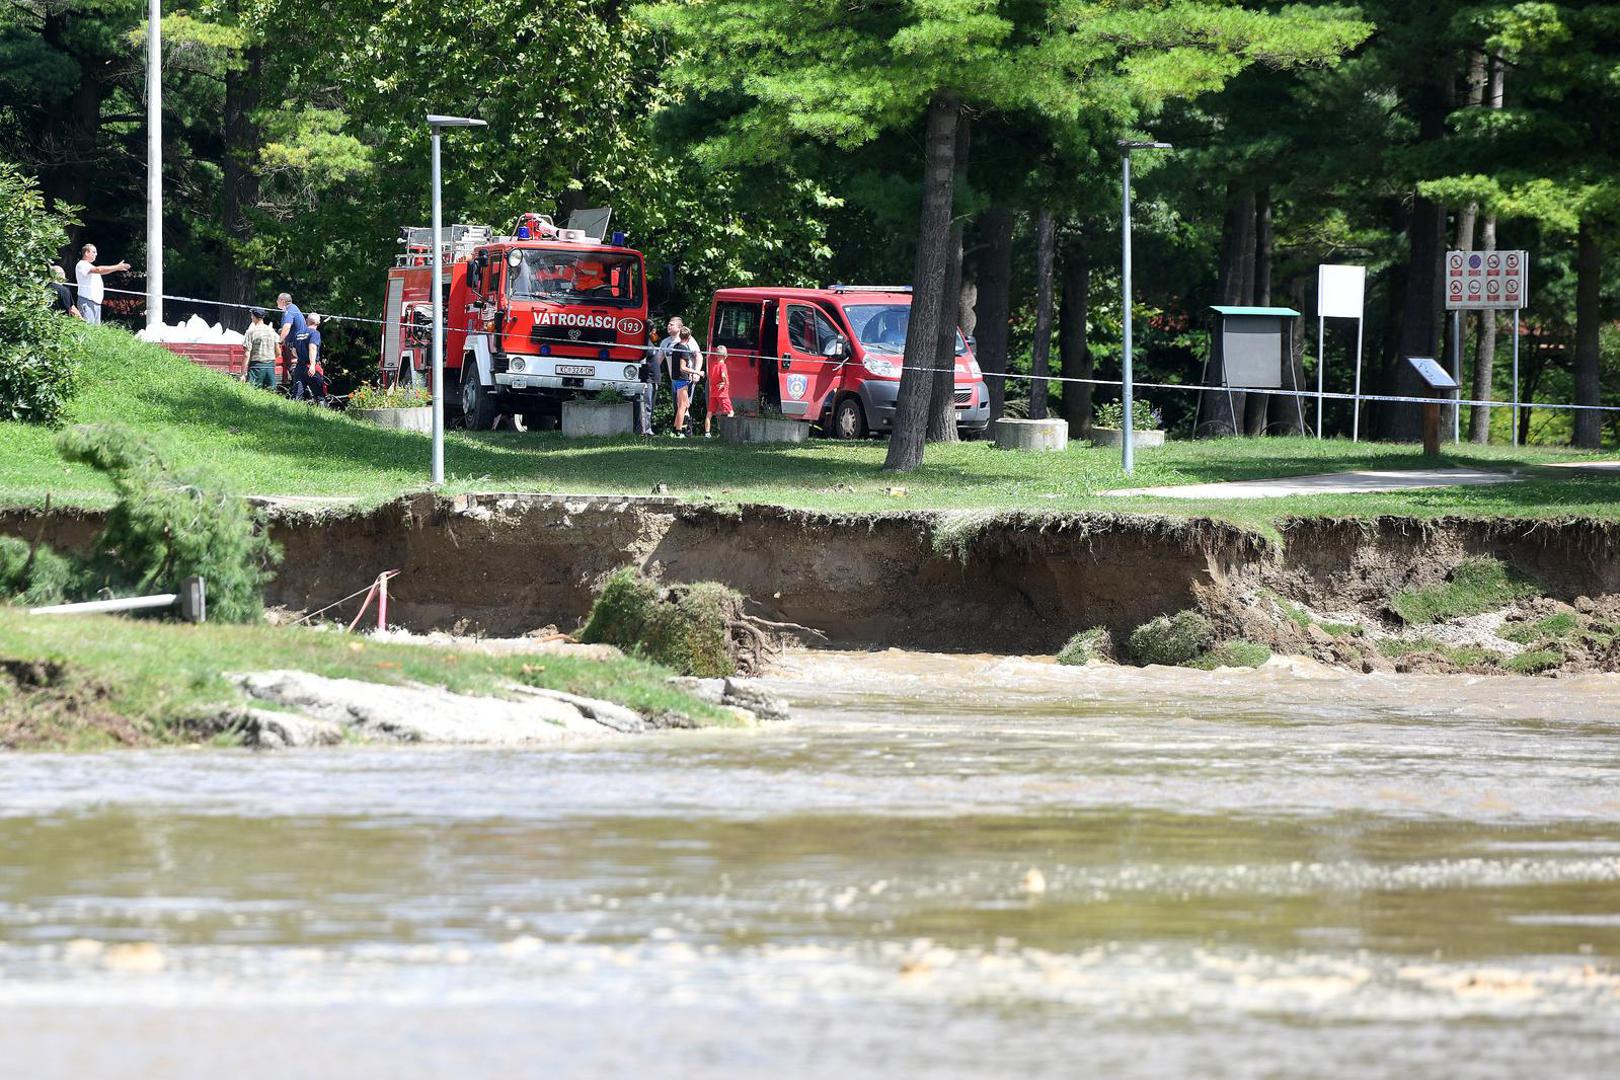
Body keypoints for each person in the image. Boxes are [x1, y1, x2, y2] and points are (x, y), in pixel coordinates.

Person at [74, 243, 129, 325]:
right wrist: (117, 267)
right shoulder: (82, 264)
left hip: (96, 303)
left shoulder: (90, 266)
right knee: (88, 329)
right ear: (86, 253)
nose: (96, 254)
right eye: (93, 252)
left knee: (95, 332)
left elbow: (103, 271)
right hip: (87, 301)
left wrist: (117, 268)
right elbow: (99, 270)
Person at [670, 326, 703, 437]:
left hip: (675, 378)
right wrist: (697, 372)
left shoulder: (676, 346)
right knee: (682, 405)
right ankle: (679, 432)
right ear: (689, 337)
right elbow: (682, 367)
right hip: (682, 379)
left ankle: (674, 429)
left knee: (684, 404)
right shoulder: (684, 349)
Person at [293, 313, 328, 402]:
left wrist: (301, 357)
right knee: (319, 395)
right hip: (310, 367)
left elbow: (293, 351)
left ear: (306, 321)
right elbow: (312, 347)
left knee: (297, 394)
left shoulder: (298, 334)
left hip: (299, 367)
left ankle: (293, 411)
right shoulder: (315, 333)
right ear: (318, 323)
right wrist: (312, 365)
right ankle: (321, 413)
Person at [243, 307, 279, 389]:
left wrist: (243, 373)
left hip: (256, 367)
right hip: (270, 366)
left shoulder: (251, 332)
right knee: (270, 393)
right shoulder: (271, 331)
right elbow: (278, 352)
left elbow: (246, 354)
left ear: (253, 316)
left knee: (252, 393)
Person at [704, 345, 734, 438]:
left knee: (709, 413)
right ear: (726, 355)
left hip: (713, 393)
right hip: (722, 393)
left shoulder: (713, 365)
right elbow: (723, 375)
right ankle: (728, 433)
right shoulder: (723, 365)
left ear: (716, 355)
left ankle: (707, 433)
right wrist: (725, 383)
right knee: (730, 412)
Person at [276, 292, 306, 382]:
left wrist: (280, 341)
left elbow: (287, 326)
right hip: (299, 344)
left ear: (282, 301)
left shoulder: (289, 311)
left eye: (278, 300)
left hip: (295, 346)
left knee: (295, 368)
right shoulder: (294, 309)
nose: (276, 302)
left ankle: (298, 390)